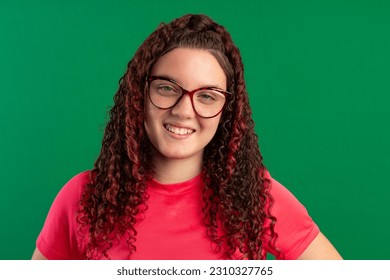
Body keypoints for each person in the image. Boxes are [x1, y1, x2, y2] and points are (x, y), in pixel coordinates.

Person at [32, 14, 342, 260]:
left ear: (227, 111)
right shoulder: (82, 197)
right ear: (140, 94)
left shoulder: (256, 196)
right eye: (167, 88)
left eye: (207, 96)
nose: (184, 110)